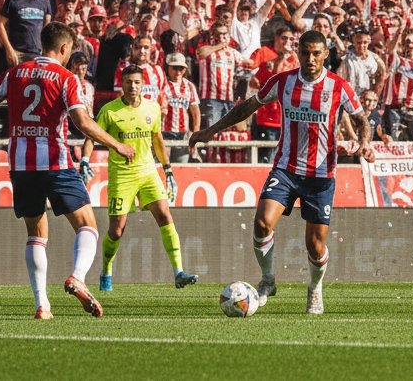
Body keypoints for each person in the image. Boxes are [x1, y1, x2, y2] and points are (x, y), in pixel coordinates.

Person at [0, 22, 135, 320]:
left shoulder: (14, 74)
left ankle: (42, 306)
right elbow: (82, 122)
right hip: (55, 162)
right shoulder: (66, 78)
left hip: (21, 165)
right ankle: (77, 276)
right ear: (64, 49)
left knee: (36, 234)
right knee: (88, 226)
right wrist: (117, 145)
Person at [190, 30, 373, 316]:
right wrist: (209, 131)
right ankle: (268, 280)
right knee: (262, 223)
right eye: (305, 52)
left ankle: (314, 288)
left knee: (315, 246)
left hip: (321, 176)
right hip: (286, 169)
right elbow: (247, 108)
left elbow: (363, 121)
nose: (310, 59)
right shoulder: (283, 82)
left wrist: (364, 144)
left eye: (316, 53)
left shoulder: (339, 87)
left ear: (325, 54)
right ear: (298, 53)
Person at [80, 65, 197, 292]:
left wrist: (168, 169)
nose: (132, 86)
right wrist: (85, 159)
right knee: (117, 229)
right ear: (121, 84)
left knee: (164, 214)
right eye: (128, 82)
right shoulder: (109, 111)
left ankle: (178, 272)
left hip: (147, 172)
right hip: (122, 175)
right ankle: (106, 269)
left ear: (142, 84)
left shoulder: (152, 108)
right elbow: (91, 136)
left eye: (136, 82)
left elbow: (157, 140)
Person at [161, 52, 199, 163]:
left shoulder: (189, 86)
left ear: (184, 70)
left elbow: (195, 110)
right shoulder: (162, 84)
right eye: (175, 68)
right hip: (164, 132)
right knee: (162, 167)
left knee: (181, 166)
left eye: (181, 68)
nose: (178, 72)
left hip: (183, 133)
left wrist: (195, 133)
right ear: (169, 68)